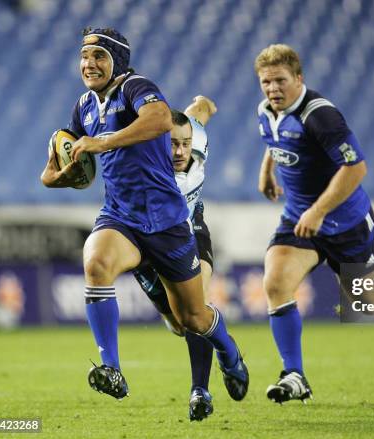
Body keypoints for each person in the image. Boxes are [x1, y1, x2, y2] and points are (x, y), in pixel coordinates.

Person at [40, 27, 248, 406]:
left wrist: (103, 141)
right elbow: (50, 174)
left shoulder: (136, 87)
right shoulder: (84, 106)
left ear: (117, 60)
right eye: (85, 57)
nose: (89, 64)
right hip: (121, 217)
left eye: (99, 57)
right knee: (96, 262)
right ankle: (111, 368)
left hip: (167, 221)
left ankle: (230, 352)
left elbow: (160, 120)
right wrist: (63, 176)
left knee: (191, 320)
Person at [255, 44, 374, 403]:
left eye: (280, 80)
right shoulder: (265, 110)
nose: (272, 89)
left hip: (347, 225)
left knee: (369, 303)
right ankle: (294, 374)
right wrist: (267, 172)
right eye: (265, 82)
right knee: (275, 282)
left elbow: (356, 168)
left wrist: (320, 210)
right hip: (298, 219)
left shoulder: (321, 115)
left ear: (299, 79)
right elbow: (274, 139)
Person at [132, 96, 218, 421]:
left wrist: (203, 105)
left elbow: (201, 112)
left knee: (198, 309)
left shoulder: (196, 136)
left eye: (185, 144)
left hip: (193, 233)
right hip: (153, 243)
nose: (180, 152)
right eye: (172, 145)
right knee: (179, 325)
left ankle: (200, 391)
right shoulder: (145, 167)